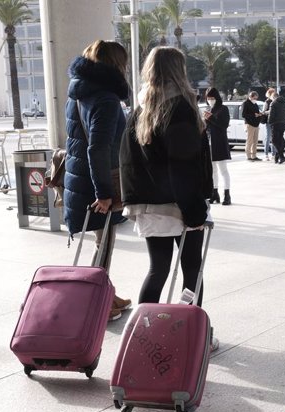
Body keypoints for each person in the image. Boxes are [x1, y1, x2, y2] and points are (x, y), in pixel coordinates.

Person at [118, 46, 217, 350]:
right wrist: (195, 211)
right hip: (178, 203)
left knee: (158, 269)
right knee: (191, 269)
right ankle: (192, 338)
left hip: (149, 205)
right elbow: (182, 164)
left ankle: (140, 337)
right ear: (179, 70)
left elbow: (127, 160)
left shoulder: (140, 108)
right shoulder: (180, 107)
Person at [64, 39, 131, 321]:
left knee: (100, 240)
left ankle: (105, 292)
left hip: (81, 179)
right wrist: (104, 192)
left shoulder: (79, 93)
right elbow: (98, 147)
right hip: (100, 182)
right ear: (117, 65)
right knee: (104, 243)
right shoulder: (105, 98)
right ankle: (95, 305)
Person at [204, 87, 232, 205]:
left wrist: (210, 118)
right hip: (210, 143)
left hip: (219, 143)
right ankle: (214, 193)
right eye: (208, 98)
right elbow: (208, 127)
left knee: (223, 170)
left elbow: (223, 125)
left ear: (216, 98)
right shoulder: (209, 109)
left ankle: (227, 194)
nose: (210, 100)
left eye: (212, 97)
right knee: (212, 170)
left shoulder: (223, 109)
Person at [268, 91, 285, 164]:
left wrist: (270, 122)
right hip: (283, 123)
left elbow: (271, 115)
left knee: (274, 141)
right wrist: (284, 120)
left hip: (275, 124)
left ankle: (281, 156)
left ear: (273, 97)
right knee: (280, 140)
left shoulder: (273, 103)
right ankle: (277, 158)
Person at [241, 91, 263, 161]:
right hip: (249, 124)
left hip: (256, 124)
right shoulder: (245, 103)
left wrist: (260, 114)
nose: (255, 99)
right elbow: (243, 115)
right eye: (254, 98)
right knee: (249, 141)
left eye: (256, 98)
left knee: (255, 141)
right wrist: (254, 115)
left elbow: (257, 112)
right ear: (250, 97)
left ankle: (254, 155)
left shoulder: (255, 104)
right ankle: (248, 156)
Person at [262, 88, 275, 160]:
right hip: (268, 121)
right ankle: (266, 154)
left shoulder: (275, 101)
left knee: (274, 138)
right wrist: (271, 111)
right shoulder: (267, 102)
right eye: (272, 93)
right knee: (268, 138)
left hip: (274, 121)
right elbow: (263, 112)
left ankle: (273, 154)